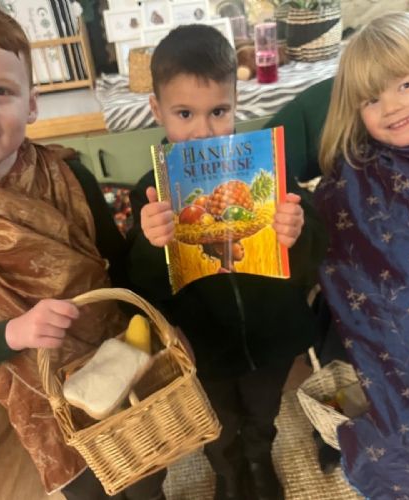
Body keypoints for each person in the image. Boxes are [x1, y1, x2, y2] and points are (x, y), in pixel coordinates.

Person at [0, 2, 166, 499]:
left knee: (150, 474)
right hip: (44, 404)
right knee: (91, 489)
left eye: (0, 90)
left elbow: (122, 270)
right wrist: (12, 333)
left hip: (122, 356)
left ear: (31, 105)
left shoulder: (70, 177)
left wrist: (152, 245)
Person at [126, 24, 327, 500]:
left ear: (237, 103)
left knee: (263, 409)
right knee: (215, 418)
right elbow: (142, 289)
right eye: (184, 113)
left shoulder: (270, 171)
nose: (203, 131)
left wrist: (296, 233)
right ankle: (228, 471)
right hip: (203, 341)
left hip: (272, 333)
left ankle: (258, 458)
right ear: (157, 110)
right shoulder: (150, 193)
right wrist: (151, 245)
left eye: (218, 111)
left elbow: (314, 257)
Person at [315, 11, 409, 499]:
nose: (391, 107)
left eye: (405, 84)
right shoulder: (353, 177)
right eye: (371, 99)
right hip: (399, 343)